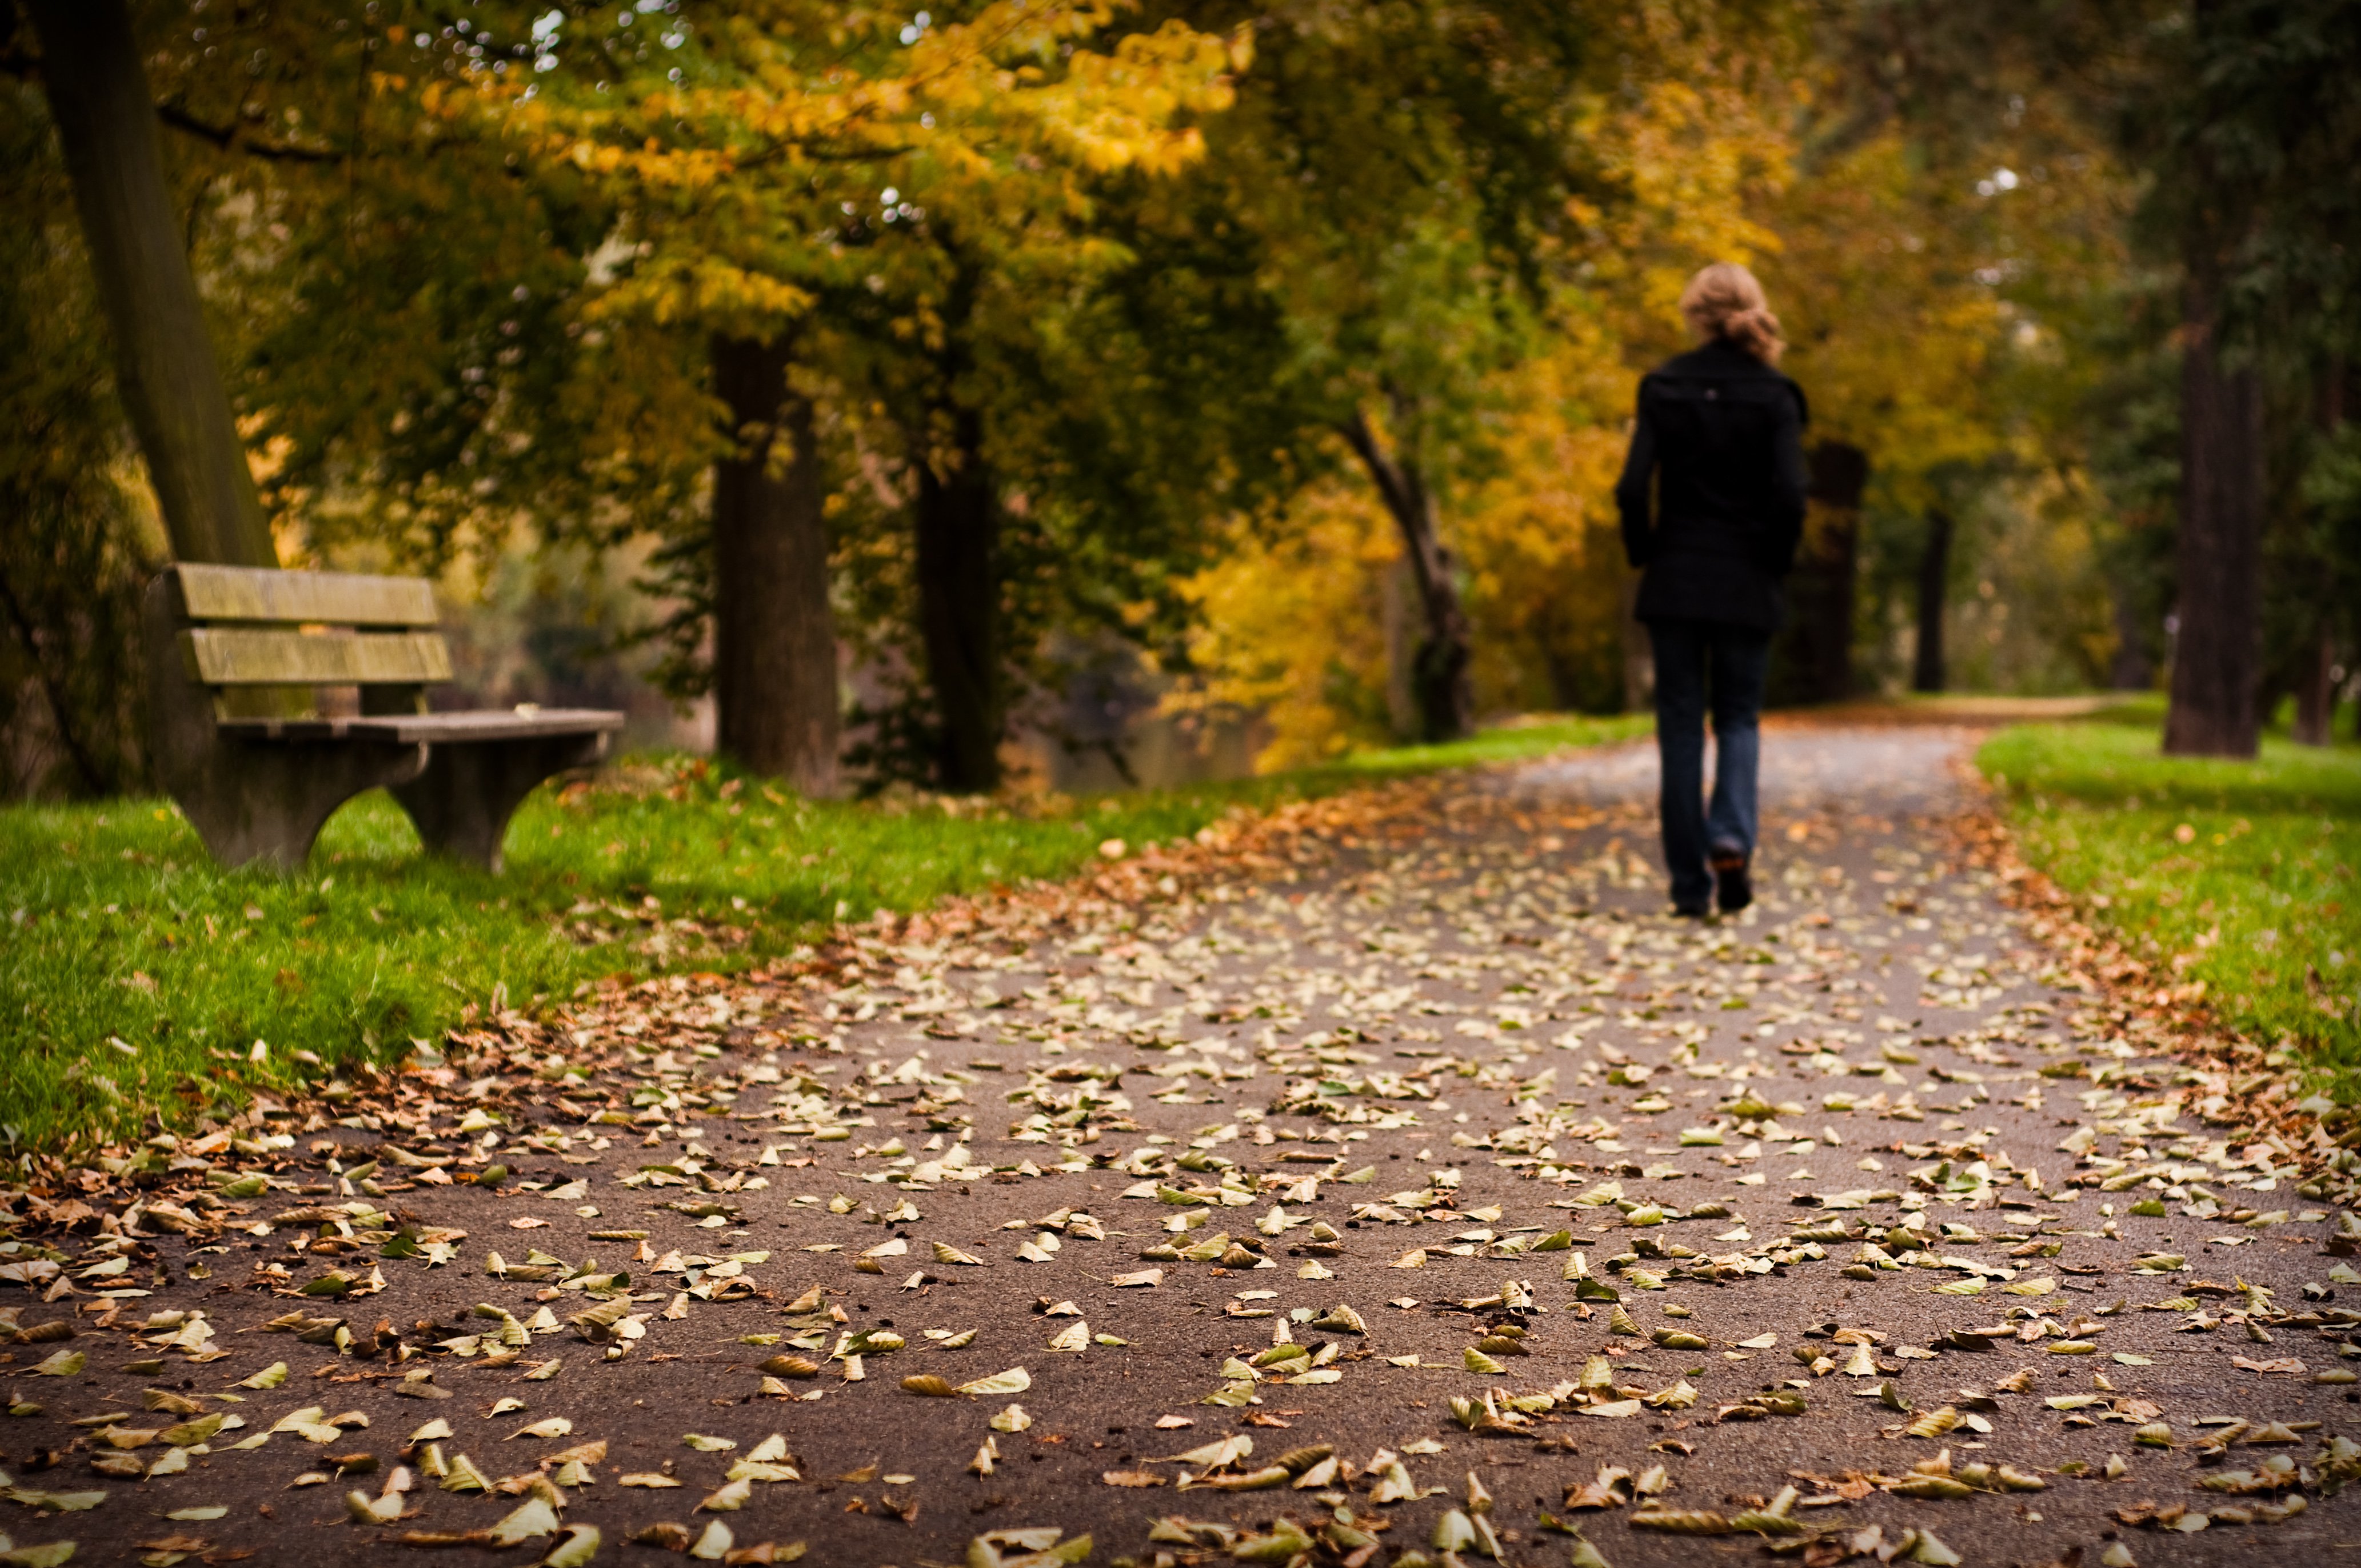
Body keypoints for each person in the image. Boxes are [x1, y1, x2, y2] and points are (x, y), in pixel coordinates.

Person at [1613, 262, 1808, 918]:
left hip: (1675, 579)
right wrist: (1775, 562)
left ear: (1694, 315)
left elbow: (1632, 487)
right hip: (1747, 579)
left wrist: (1647, 553)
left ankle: (1690, 886)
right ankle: (1730, 834)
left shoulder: (1663, 387)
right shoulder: (1777, 395)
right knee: (1737, 716)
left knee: (1679, 727)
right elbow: (1791, 494)